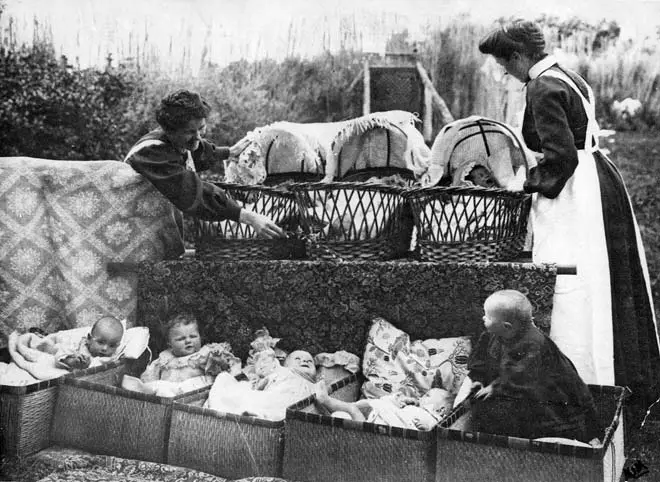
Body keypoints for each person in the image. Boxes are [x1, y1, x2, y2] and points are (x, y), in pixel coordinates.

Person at [479, 19, 660, 426]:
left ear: (520, 56)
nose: (504, 72)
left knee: (571, 283)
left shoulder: (542, 86)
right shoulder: (566, 75)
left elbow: (560, 156)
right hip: (598, 179)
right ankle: (618, 377)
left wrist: (521, 184)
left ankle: (582, 382)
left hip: (576, 192)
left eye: (505, 64)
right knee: (602, 280)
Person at [124, 89, 285, 240]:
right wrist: (248, 217)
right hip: (128, 226)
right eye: (190, 132)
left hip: (148, 223)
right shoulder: (152, 152)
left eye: (201, 128)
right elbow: (193, 192)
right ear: (169, 131)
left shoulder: (175, 141)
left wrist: (229, 152)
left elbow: (197, 151)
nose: (198, 137)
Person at [467, 290, 600, 443]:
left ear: (507, 326)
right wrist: (478, 377)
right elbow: (481, 357)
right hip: (513, 388)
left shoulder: (534, 343)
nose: (483, 318)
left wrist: (495, 388)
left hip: (547, 393)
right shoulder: (492, 334)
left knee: (545, 424)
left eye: (488, 317)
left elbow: (523, 374)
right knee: (487, 410)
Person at [132, 313, 241, 397]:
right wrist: (146, 384)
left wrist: (218, 360)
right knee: (159, 386)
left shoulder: (204, 354)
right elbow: (151, 374)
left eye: (193, 336)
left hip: (194, 396)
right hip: (168, 397)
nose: (188, 341)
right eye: (181, 339)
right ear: (170, 343)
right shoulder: (165, 358)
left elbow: (222, 373)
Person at [313, 377, 453, 431]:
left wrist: (427, 426)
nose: (422, 397)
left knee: (352, 408)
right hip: (380, 417)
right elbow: (395, 409)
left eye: (427, 396)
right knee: (346, 413)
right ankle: (331, 410)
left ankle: (326, 401)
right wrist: (399, 401)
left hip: (384, 428)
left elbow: (436, 431)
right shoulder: (415, 407)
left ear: (440, 409)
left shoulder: (436, 418)